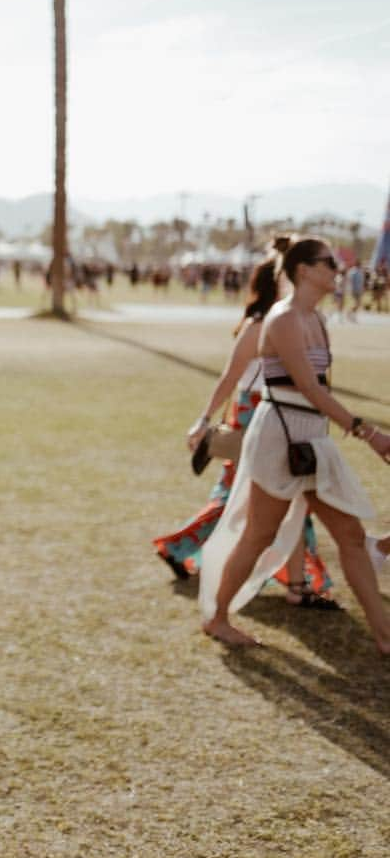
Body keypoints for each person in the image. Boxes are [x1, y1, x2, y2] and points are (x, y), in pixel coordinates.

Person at [199, 237, 390, 650]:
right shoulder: (282, 319)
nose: (337, 271)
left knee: (351, 537)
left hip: (311, 438)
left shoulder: (316, 320)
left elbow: (320, 389)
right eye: (329, 264)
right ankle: (217, 618)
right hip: (280, 436)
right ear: (304, 269)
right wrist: (370, 433)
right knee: (258, 535)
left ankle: (384, 635)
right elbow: (307, 388)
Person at [154, 252, 337, 607]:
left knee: (277, 498)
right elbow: (231, 376)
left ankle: (296, 582)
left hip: (286, 415)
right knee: (243, 500)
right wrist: (204, 418)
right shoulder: (262, 323)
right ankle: (186, 551)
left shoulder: (292, 319)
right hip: (257, 415)